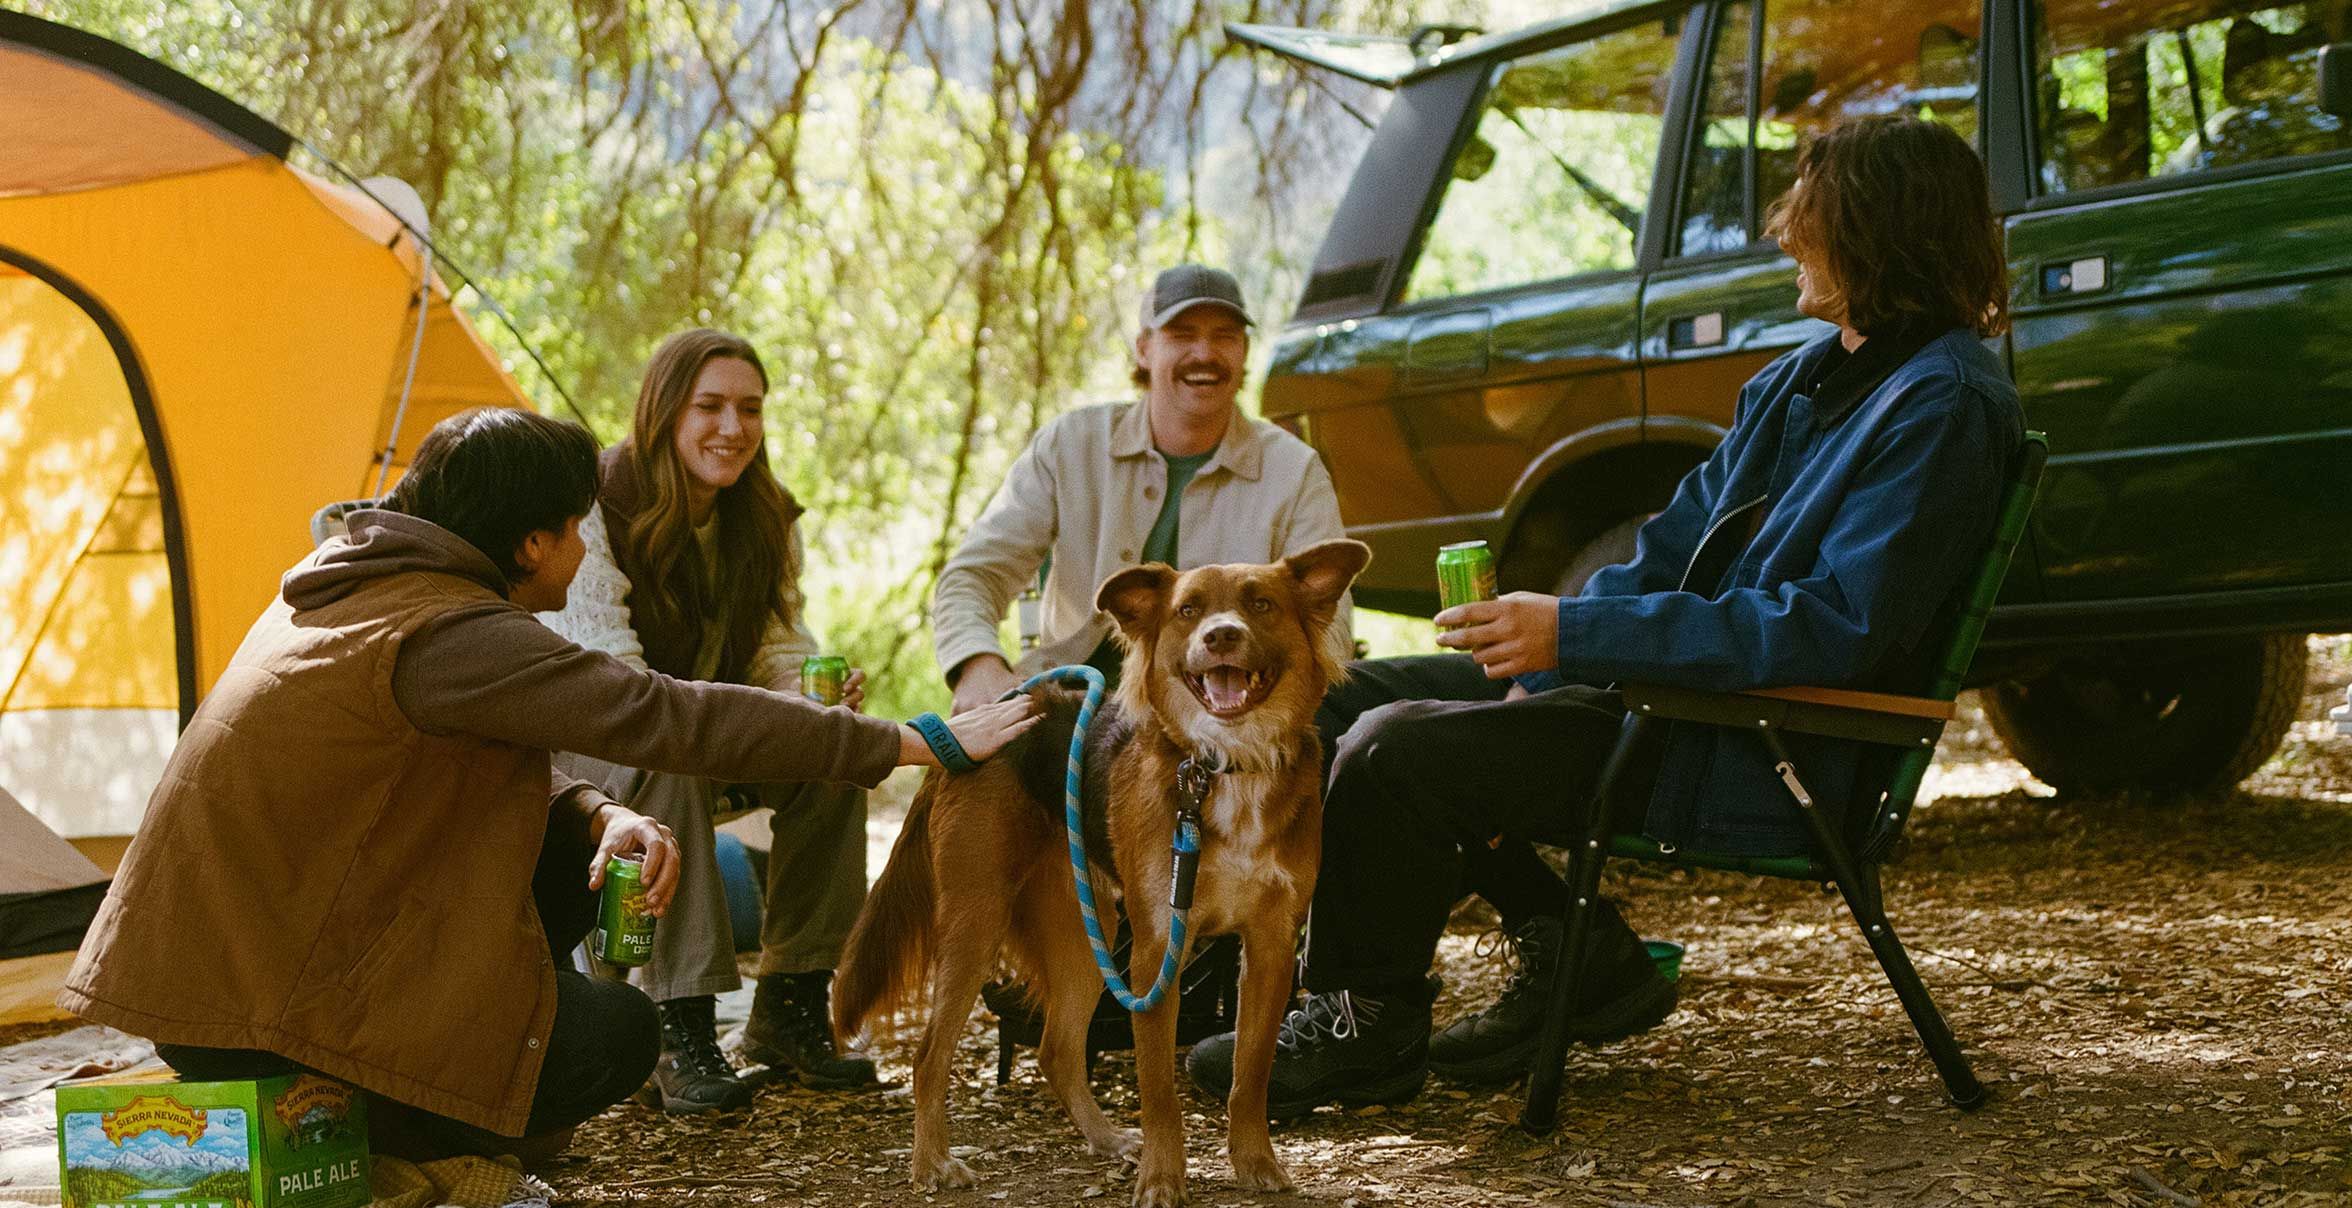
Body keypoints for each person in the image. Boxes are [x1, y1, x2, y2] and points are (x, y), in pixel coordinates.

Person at [1187, 115, 2026, 1112]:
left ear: (1885, 234)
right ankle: (1575, 950)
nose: (1782, 234)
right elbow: (1669, 549)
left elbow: (1829, 625)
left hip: (1757, 739)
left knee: (1393, 748)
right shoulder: (1805, 378)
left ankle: (1367, 1024)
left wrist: (1579, 637)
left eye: (1813, 215)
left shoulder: (1943, 405)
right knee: (1338, 700)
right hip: (1663, 697)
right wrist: (1545, 643)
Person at [60, 407, 1040, 1163]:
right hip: (258, 1021)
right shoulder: (450, 631)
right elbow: (670, 713)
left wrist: (599, 811)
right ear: (532, 543)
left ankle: (396, 1093)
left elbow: (450, 775)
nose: (582, 547)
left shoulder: (348, 589)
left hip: (218, 987)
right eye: (573, 526)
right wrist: (920, 740)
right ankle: (382, 1119)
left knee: (571, 875)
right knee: (607, 1036)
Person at [539, 329, 882, 1112]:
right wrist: (719, 720)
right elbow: (611, 684)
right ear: (664, 412)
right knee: (669, 758)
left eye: (751, 409)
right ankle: (674, 1021)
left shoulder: (763, 513)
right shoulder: (592, 504)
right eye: (712, 406)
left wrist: (807, 693)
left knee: (834, 755)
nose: (734, 428)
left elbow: (777, 646)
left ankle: (791, 1004)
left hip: (695, 727)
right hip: (593, 744)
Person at [933, 263, 1354, 712]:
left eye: (1225, 335)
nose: (1205, 352)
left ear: (1245, 351)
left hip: (1223, 712)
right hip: (1069, 709)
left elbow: (1332, 625)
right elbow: (974, 574)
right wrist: (977, 664)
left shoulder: (1294, 469)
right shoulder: (1070, 445)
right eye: (1182, 334)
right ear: (1144, 349)